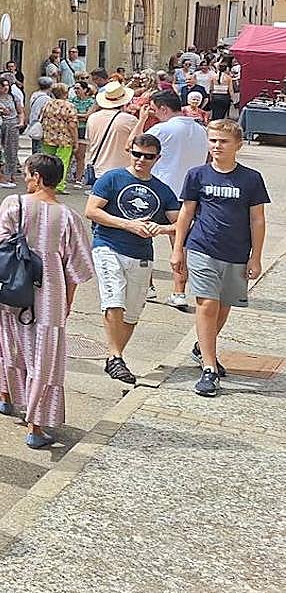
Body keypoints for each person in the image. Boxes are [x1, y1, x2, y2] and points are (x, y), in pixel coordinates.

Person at [0, 155, 93, 449]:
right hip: (50, 295)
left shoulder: (14, 204)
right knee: (44, 357)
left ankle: (7, 396)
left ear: (36, 176)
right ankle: (36, 424)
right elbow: (77, 269)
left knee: (10, 342)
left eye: (26, 174)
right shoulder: (70, 217)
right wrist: (68, 302)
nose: (25, 178)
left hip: (11, 288)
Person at [172, 120, 270, 397]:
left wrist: (256, 257)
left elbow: (257, 219)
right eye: (213, 140)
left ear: (238, 145)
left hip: (237, 253)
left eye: (223, 141)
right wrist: (178, 249)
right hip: (202, 247)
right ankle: (209, 368)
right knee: (207, 305)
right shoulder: (197, 175)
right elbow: (186, 214)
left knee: (224, 307)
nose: (217, 146)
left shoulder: (251, 179)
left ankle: (202, 347)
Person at [84, 136, 180, 384]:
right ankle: (115, 356)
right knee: (113, 298)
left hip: (141, 255)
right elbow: (92, 210)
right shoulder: (112, 178)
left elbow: (181, 223)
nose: (141, 160)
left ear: (157, 158)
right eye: (137, 154)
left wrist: (160, 229)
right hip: (107, 245)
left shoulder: (163, 190)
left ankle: (115, 358)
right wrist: (127, 225)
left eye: (148, 156)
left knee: (131, 314)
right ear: (130, 153)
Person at [137, 91, 208, 309]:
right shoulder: (201, 130)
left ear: (164, 108)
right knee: (180, 244)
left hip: (160, 189)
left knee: (142, 237)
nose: (155, 114)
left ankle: (147, 286)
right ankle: (179, 292)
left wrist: (141, 120)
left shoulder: (162, 129)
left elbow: (135, 145)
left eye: (156, 110)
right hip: (188, 195)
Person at [85, 81, 139, 179]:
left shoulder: (92, 117)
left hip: (97, 169)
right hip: (121, 171)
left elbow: (89, 141)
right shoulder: (130, 120)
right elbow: (138, 142)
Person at [39, 83, 78, 193]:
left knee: (47, 162)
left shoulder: (48, 104)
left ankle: (46, 184)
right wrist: (76, 140)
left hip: (48, 137)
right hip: (64, 139)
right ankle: (59, 185)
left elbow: (41, 118)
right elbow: (72, 125)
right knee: (62, 162)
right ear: (65, 93)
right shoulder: (69, 106)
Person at [70, 81, 96, 186]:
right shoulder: (72, 100)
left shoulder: (91, 101)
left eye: (78, 88)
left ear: (85, 90)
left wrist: (76, 115)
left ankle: (79, 178)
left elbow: (88, 115)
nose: (76, 91)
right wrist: (80, 115)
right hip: (72, 128)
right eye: (75, 88)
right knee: (70, 154)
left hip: (83, 129)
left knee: (80, 155)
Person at [26, 76, 54, 155]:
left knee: (35, 145)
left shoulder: (34, 94)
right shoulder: (46, 98)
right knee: (39, 147)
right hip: (40, 123)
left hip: (33, 122)